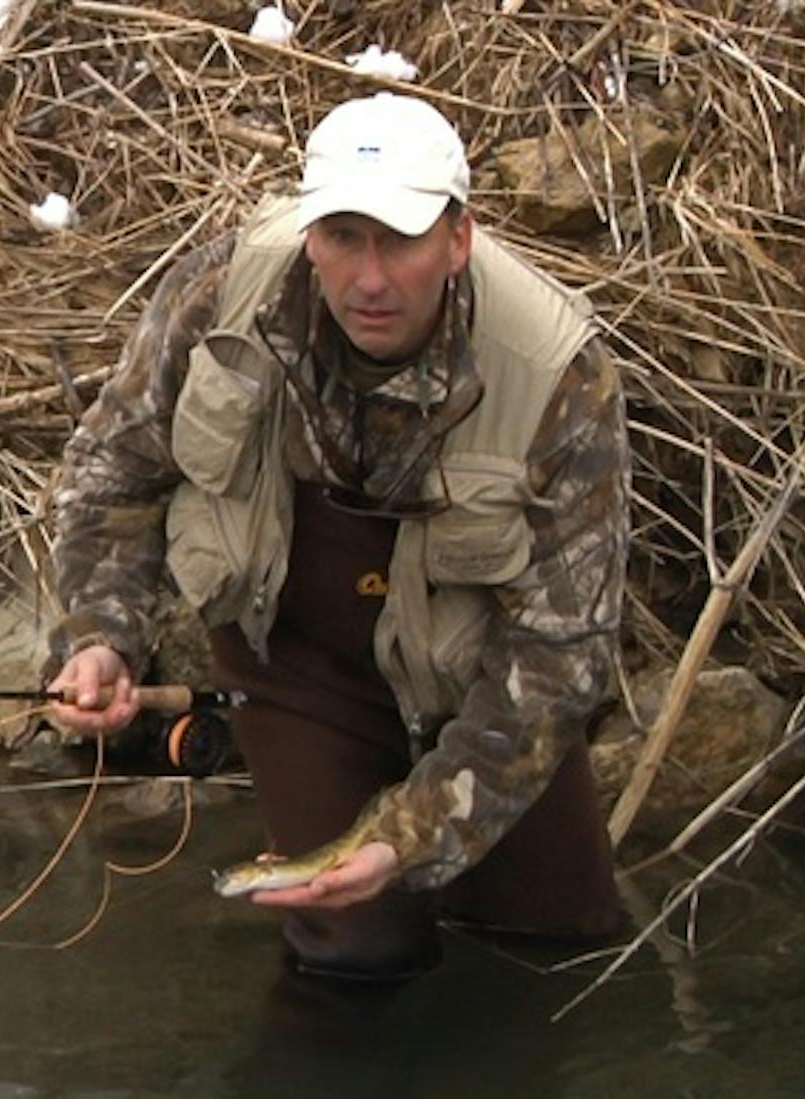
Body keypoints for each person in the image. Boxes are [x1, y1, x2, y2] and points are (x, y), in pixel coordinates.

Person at [43, 92, 629, 981]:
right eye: (343, 237)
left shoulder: (559, 374)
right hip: (296, 657)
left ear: (458, 238)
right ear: (310, 233)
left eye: (398, 240)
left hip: (484, 680)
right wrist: (99, 636)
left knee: (558, 942)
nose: (368, 278)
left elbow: (561, 659)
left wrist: (407, 836)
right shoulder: (222, 296)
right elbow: (111, 478)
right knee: (354, 951)